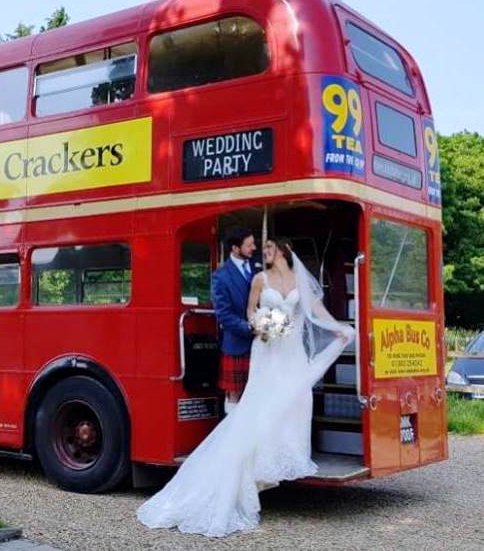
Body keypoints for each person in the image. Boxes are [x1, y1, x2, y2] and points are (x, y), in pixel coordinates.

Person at [137, 238, 354, 537]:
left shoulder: (298, 279)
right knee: (263, 405)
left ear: (283, 251)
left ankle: (287, 454)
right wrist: (263, 325)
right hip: (267, 350)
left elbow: (315, 309)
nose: (264, 253)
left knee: (298, 399)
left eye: (268, 249)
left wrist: (339, 329)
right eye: (261, 249)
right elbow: (252, 312)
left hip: (292, 352)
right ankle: (258, 461)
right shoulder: (259, 279)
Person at [212, 227, 257, 415]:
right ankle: (231, 438)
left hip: (262, 344)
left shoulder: (259, 267)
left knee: (256, 395)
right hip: (236, 343)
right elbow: (224, 314)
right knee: (234, 396)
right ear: (235, 248)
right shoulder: (221, 276)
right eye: (249, 245)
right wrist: (250, 328)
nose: (254, 248)